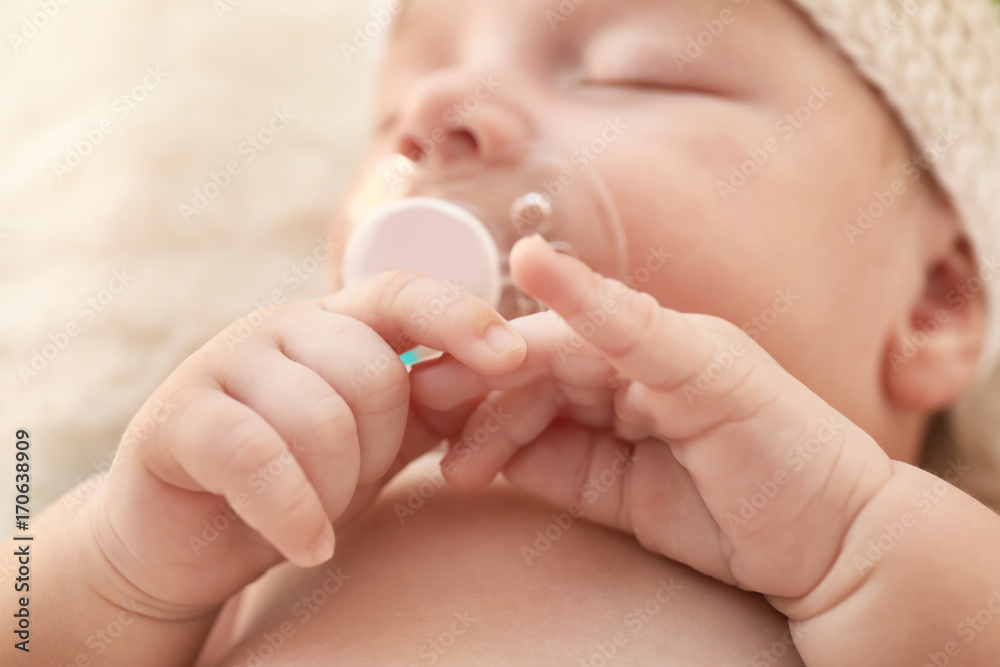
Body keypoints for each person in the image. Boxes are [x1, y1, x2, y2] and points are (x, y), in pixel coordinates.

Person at [5, 0, 1000, 664]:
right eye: (393, 108)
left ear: (936, 299)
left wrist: (856, 543)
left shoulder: (911, 565)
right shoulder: (284, 516)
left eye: (630, 73)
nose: (434, 115)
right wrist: (122, 565)